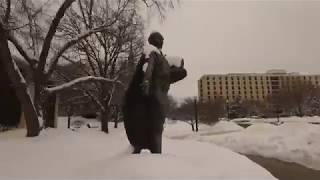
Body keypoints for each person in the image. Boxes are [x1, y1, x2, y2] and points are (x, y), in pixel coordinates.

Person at [123, 31, 187, 154]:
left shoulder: (161, 57)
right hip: (154, 98)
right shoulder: (151, 52)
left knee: (157, 128)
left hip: (160, 98)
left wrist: (176, 71)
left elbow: (163, 75)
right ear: (154, 41)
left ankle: (154, 154)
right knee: (155, 128)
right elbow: (148, 67)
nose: (162, 42)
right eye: (160, 39)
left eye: (162, 40)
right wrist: (146, 83)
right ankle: (155, 157)